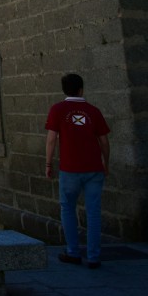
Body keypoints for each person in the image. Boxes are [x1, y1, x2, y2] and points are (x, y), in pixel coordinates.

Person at [45, 73, 110, 269]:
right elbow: (104, 141)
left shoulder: (57, 109)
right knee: (93, 212)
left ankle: (73, 252)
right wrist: (106, 162)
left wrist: (48, 164)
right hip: (94, 168)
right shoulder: (93, 111)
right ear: (81, 90)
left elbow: (51, 139)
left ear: (64, 90)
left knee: (67, 209)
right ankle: (93, 256)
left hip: (69, 168)